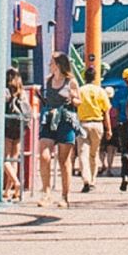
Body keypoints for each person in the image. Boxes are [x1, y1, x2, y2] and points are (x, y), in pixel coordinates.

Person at [38, 59, 82, 208]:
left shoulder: (71, 82)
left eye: (51, 62)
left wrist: (72, 98)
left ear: (58, 65)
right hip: (49, 118)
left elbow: (79, 101)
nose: (49, 65)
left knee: (64, 160)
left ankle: (65, 196)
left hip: (65, 119)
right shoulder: (47, 80)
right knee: (44, 155)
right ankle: (46, 192)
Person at [74, 67, 111, 193]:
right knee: (94, 154)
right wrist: (108, 129)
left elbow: (74, 106)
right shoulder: (100, 91)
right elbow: (106, 111)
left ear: (84, 77)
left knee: (82, 154)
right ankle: (93, 180)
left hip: (83, 124)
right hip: (97, 124)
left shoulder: (80, 90)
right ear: (95, 77)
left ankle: (86, 179)